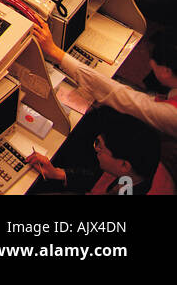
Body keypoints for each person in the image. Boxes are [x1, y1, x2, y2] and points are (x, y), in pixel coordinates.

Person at [33, 23, 177, 140]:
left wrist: (55, 52)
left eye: (152, 61)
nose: (149, 63)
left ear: (166, 71)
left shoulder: (170, 114)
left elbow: (117, 94)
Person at [27, 109, 171, 195]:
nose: (95, 149)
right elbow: (98, 178)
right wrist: (58, 173)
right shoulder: (138, 165)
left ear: (124, 165)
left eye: (100, 146)